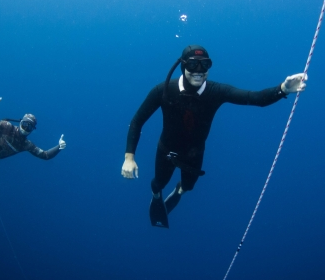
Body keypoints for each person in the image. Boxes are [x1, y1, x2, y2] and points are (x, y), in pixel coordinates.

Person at [121, 45, 307, 228]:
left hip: (195, 154)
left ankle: (178, 191)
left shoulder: (216, 92)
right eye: (193, 65)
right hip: (166, 151)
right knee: (159, 183)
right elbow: (137, 120)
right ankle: (156, 196)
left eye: (205, 65)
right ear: (183, 66)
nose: (199, 71)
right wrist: (129, 158)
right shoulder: (163, 90)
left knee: (188, 187)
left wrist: (283, 89)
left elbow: (254, 98)